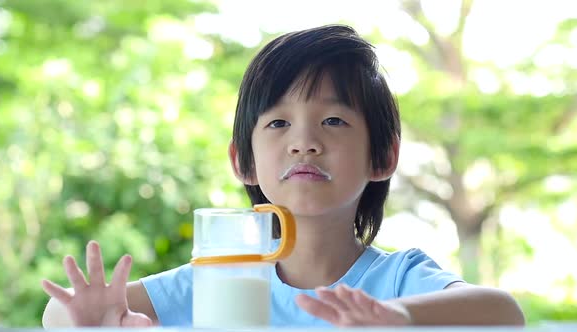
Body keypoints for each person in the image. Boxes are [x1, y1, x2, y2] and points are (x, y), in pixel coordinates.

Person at [41, 24, 525, 327]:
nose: (303, 142)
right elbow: (58, 313)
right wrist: (92, 322)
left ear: (384, 157)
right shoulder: (217, 278)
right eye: (278, 123)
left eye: (333, 121)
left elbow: (504, 313)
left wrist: (396, 317)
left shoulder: (398, 281)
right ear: (243, 161)